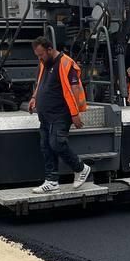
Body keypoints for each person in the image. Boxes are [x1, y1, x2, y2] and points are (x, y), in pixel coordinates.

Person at [29, 35, 91, 193]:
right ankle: (52, 181)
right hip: (46, 115)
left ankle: (81, 168)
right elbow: (41, 83)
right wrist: (34, 97)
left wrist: (75, 113)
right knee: (45, 146)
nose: (40, 58)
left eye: (41, 54)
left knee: (57, 143)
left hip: (60, 113)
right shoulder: (45, 63)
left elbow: (75, 89)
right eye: (38, 56)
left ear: (50, 50)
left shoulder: (66, 63)